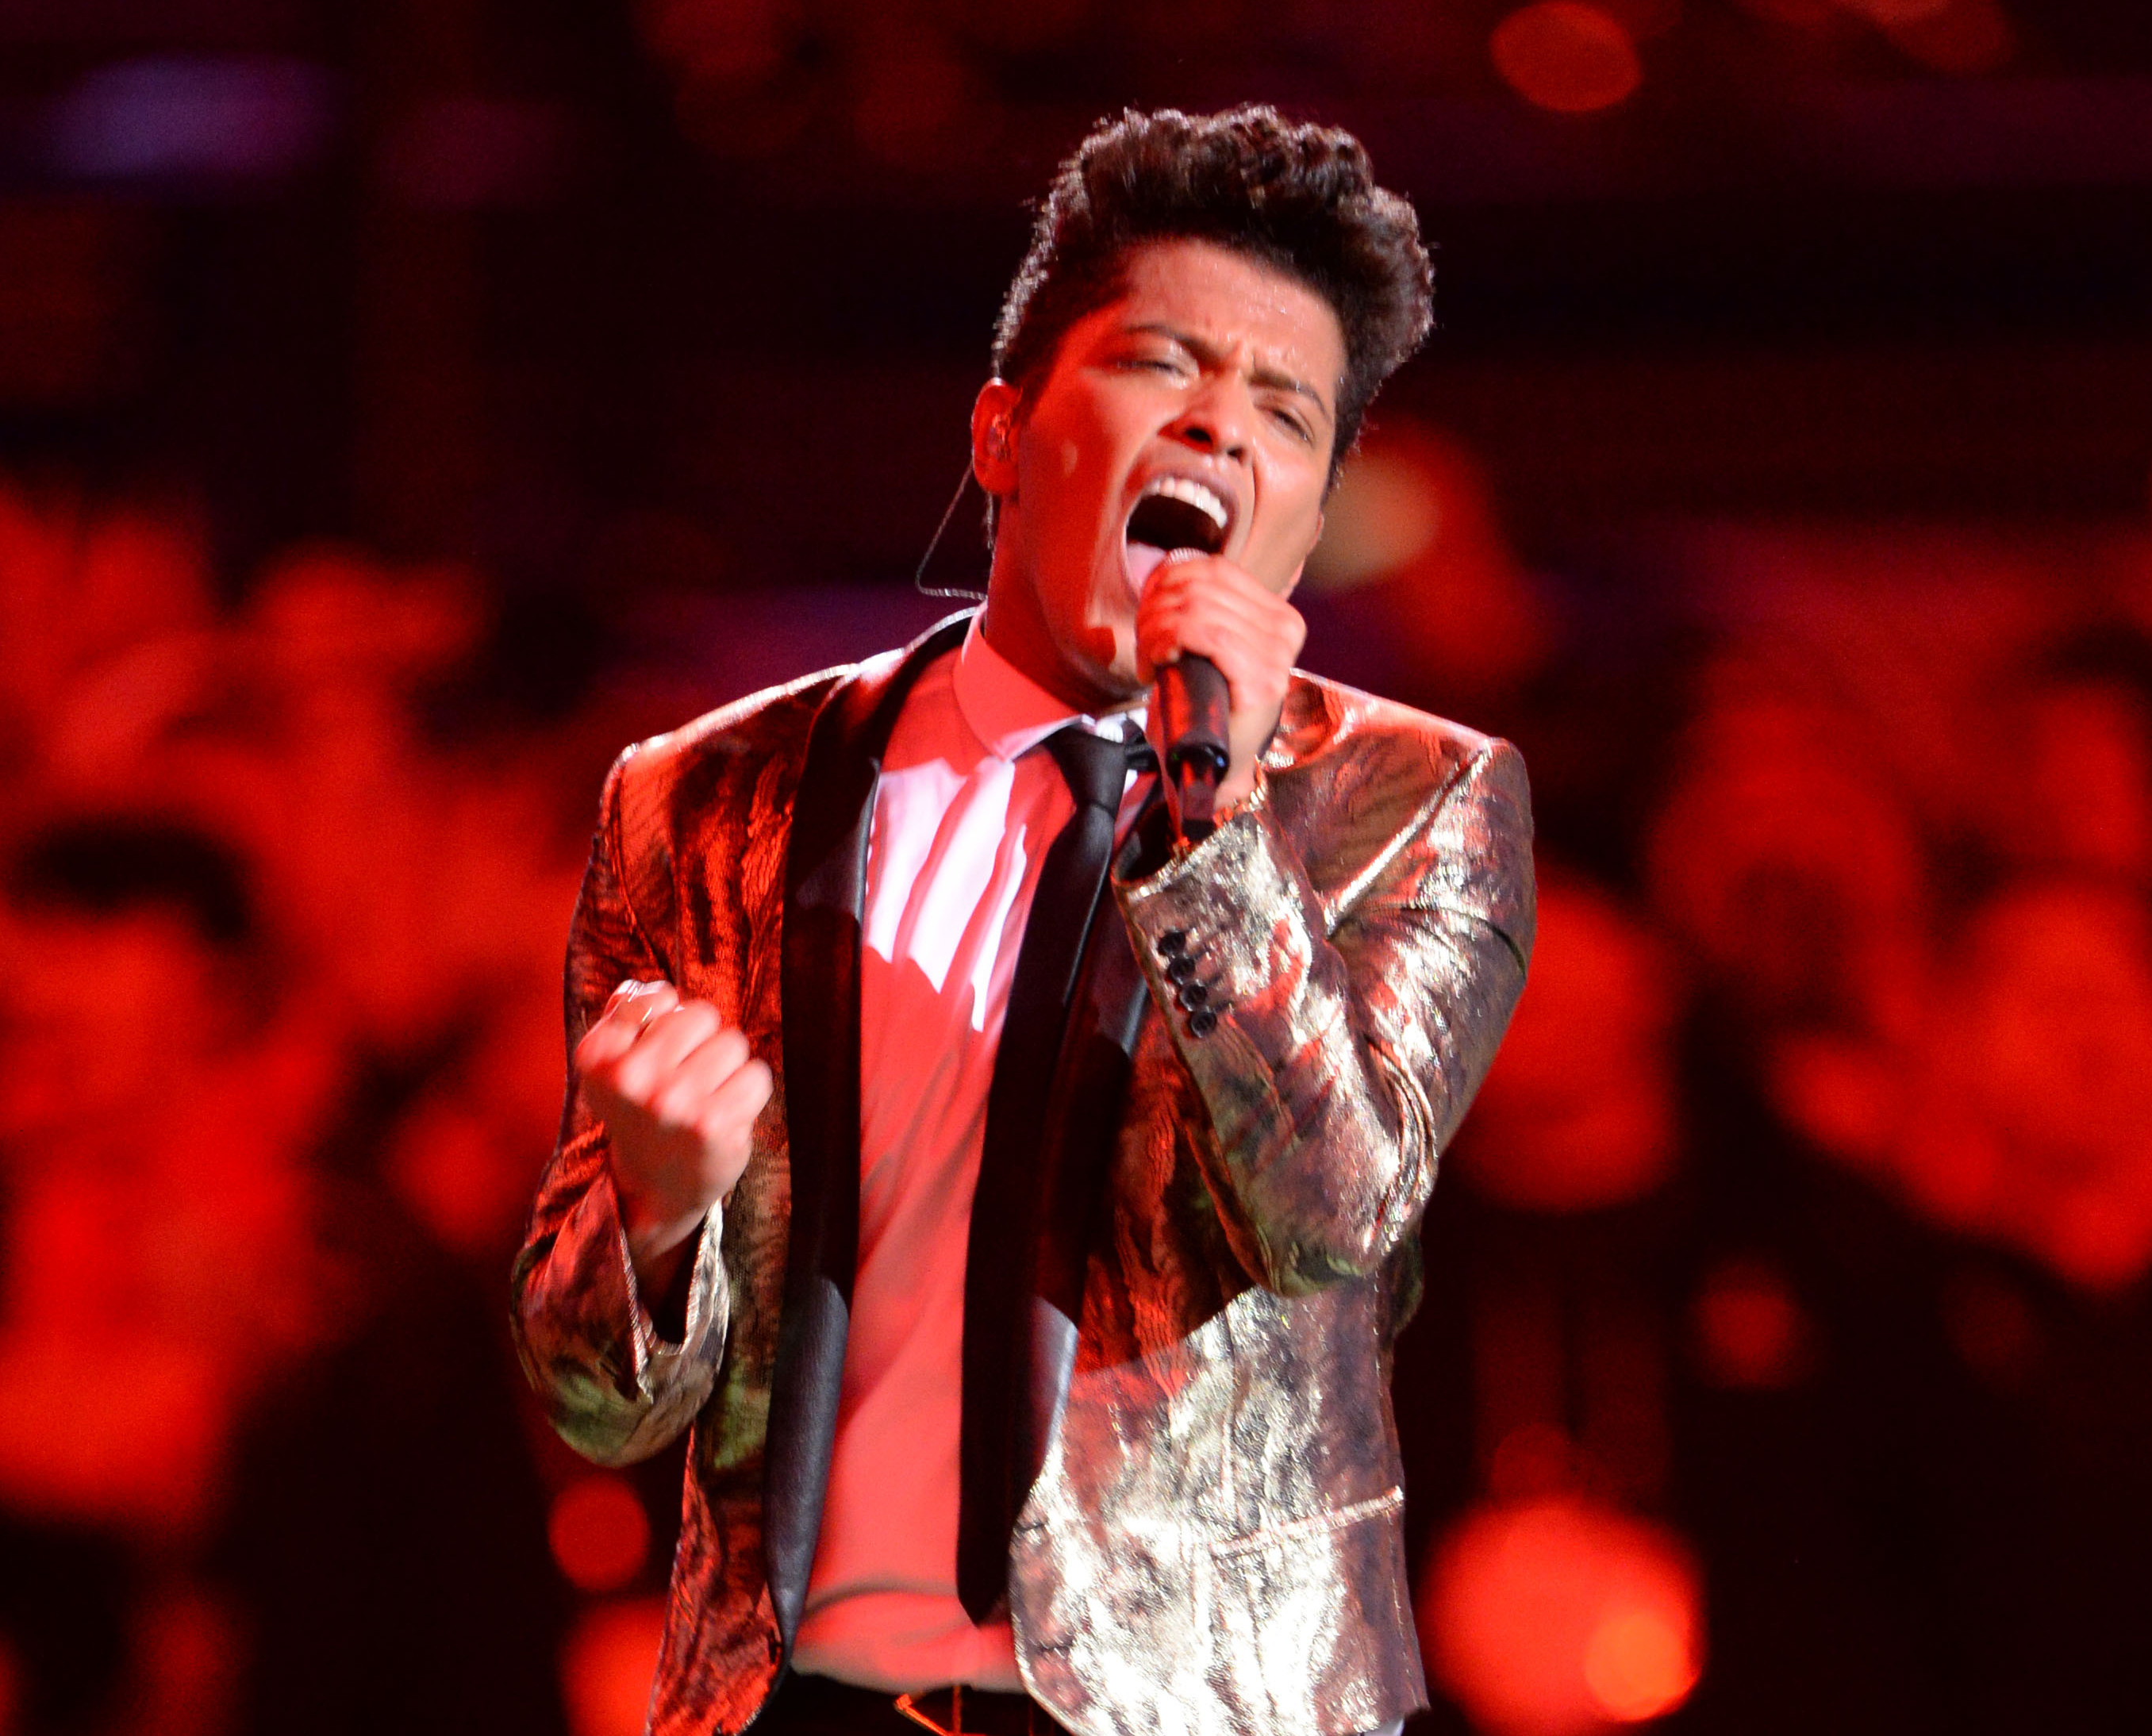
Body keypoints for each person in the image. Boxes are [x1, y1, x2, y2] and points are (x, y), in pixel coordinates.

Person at [513, 106, 1535, 1736]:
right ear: (1000, 433)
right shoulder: (698, 796)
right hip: (804, 1700)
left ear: (1307, 503)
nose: (1216, 428)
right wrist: (650, 1209)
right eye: (1161, 366)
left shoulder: (1409, 800)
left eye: (1283, 409)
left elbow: (1331, 1211)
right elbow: (595, 1400)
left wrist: (1214, 806)